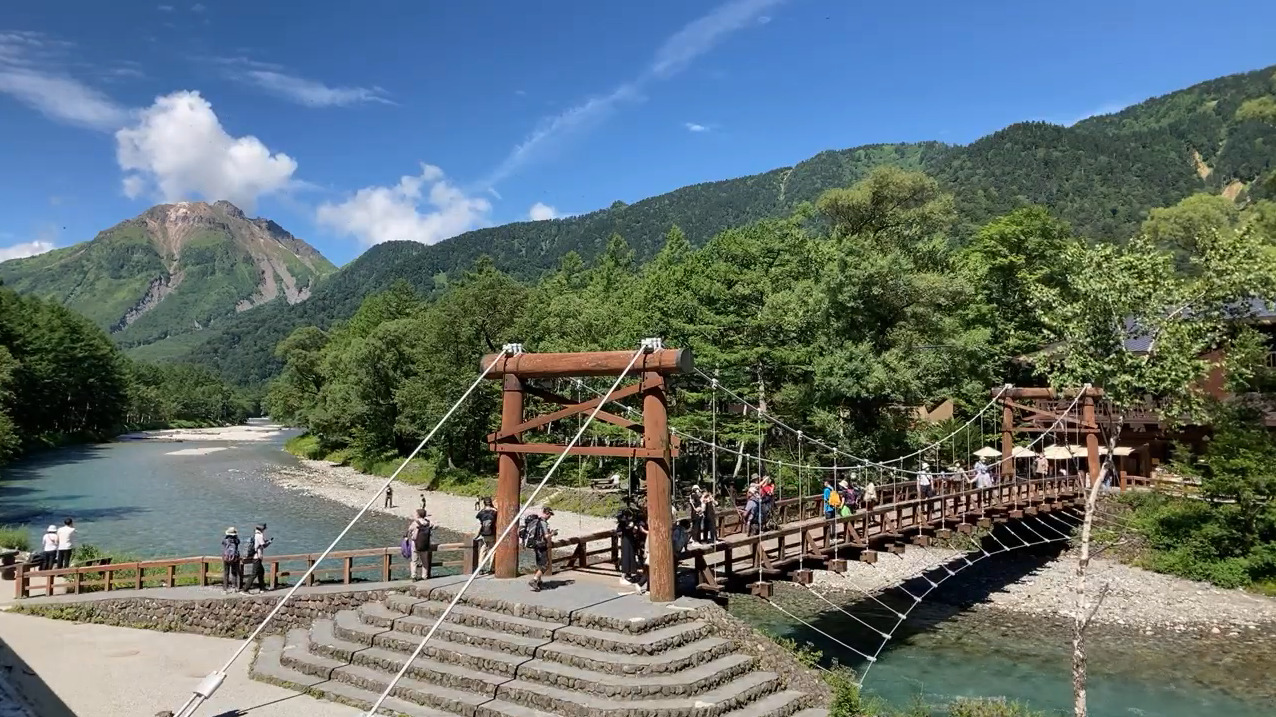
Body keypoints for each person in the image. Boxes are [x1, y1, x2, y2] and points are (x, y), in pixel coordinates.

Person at [525, 506, 555, 592]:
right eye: (550, 515)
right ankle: (534, 580)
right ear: (547, 513)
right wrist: (553, 534)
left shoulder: (537, 521)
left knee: (539, 563)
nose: (550, 517)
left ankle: (539, 581)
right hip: (541, 545)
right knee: (545, 564)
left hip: (535, 544)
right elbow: (546, 536)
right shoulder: (543, 523)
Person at [407, 509, 432, 581]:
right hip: (425, 544)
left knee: (414, 561)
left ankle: (414, 576)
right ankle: (424, 576)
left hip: (415, 543)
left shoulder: (415, 523)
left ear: (418, 515)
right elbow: (435, 526)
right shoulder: (428, 523)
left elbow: (409, 529)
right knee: (425, 561)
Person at [246, 524, 272, 593]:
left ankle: (262, 588)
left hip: (256, 557)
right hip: (257, 557)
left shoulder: (255, 535)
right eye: (264, 529)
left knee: (261, 572)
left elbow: (260, 543)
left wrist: (265, 541)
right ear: (262, 529)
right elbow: (264, 546)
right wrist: (269, 542)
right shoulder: (259, 536)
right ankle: (245, 589)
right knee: (254, 574)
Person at [474, 498, 497, 572]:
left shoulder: (481, 512)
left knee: (483, 550)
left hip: (484, 534)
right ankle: (491, 568)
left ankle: (481, 568)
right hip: (492, 533)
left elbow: (479, 525)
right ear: (491, 502)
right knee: (493, 550)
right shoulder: (495, 512)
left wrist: (477, 535)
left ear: (484, 503)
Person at [220, 527, 242, 593]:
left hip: (226, 557)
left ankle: (225, 588)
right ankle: (235, 587)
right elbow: (239, 542)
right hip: (235, 558)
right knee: (234, 572)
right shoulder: (236, 540)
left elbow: (222, 543)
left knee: (226, 573)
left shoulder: (225, 540)